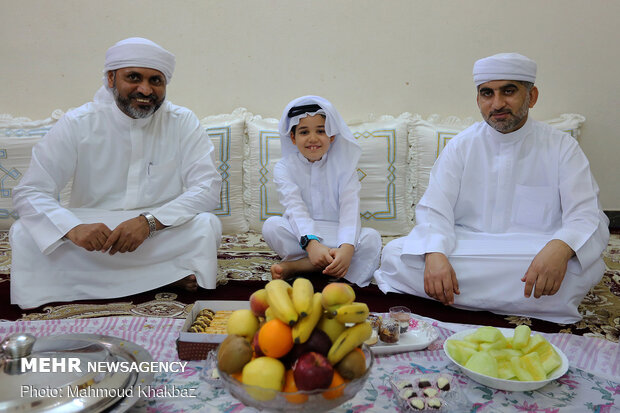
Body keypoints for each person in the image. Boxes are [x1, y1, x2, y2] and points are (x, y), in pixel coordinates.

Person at [374, 53, 609, 323]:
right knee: (396, 255)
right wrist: (436, 253)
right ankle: (533, 302)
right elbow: (434, 209)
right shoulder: (462, 145)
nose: (497, 103)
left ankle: (456, 296)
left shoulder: (561, 147)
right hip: (468, 245)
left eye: (509, 91)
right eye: (487, 93)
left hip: (536, 251)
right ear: (478, 100)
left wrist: (560, 247)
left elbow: (586, 215)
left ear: (531, 97)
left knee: (580, 269)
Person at [10, 37, 223, 309]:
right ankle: (163, 276)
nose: (145, 89)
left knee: (206, 225)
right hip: (94, 237)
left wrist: (149, 222)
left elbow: (207, 187)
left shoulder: (182, 122)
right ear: (111, 79)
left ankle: (111, 279)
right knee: (24, 233)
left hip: (156, 230)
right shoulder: (78, 123)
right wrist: (71, 228)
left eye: (156, 81)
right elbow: (30, 191)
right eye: (134, 77)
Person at [262, 95, 381, 286]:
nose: (313, 139)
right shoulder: (284, 167)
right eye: (304, 132)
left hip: (338, 234)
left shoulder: (344, 167)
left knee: (372, 239)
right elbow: (294, 209)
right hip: (302, 235)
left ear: (331, 136)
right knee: (272, 226)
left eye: (320, 131)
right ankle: (333, 265)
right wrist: (312, 243)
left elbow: (350, 211)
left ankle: (300, 267)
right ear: (292, 137)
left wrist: (347, 247)